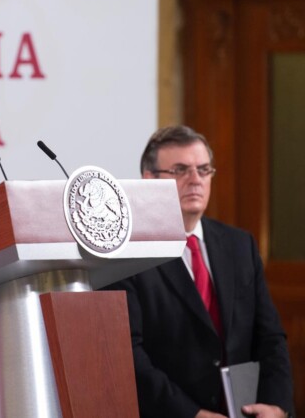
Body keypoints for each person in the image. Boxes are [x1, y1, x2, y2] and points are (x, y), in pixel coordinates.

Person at [105, 125, 294, 418]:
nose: (195, 180)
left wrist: (277, 406)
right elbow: (128, 354)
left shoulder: (239, 244)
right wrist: (190, 414)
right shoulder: (125, 254)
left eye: (203, 170)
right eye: (180, 170)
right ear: (149, 179)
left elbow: (270, 337)